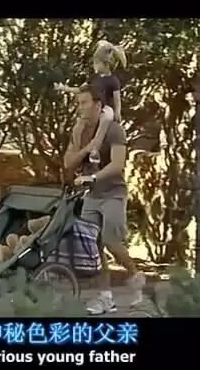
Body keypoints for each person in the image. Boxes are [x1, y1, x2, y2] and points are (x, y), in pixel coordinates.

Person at [63, 83, 144, 315]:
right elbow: (68, 162)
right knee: (93, 248)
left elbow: (118, 165)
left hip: (113, 193)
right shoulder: (79, 130)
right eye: (78, 103)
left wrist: (92, 177)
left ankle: (136, 277)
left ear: (98, 105)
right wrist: (86, 148)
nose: (80, 107)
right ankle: (105, 296)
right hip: (92, 196)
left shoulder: (114, 130)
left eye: (84, 102)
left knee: (111, 241)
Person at [56, 40, 127, 163]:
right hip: (94, 107)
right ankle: (77, 149)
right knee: (79, 124)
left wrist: (117, 112)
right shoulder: (94, 78)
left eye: (96, 63)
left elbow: (117, 99)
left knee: (105, 120)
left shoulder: (113, 81)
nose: (94, 66)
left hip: (105, 108)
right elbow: (80, 89)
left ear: (105, 64)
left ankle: (95, 149)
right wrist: (65, 88)